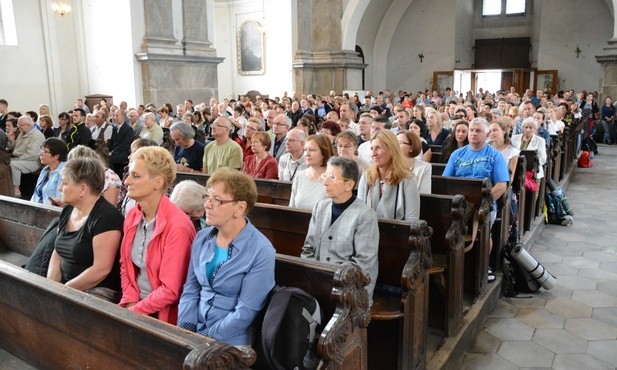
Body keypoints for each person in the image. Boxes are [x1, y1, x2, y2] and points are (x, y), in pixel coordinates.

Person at [178, 168, 275, 346]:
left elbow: (246, 312)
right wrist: (186, 327)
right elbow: (191, 289)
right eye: (207, 197)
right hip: (194, 332)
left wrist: (205, 337)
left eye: (217, 200)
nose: (207, 204)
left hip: (231, 341)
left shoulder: (261, 251)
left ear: (239, 208)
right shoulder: (202, 237)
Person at [119, 146, 196, 324]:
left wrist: (135, 311)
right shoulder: (133, 215)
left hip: (161, 314)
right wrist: (130, 300)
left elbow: (170, 290)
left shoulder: (178, 226)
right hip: (134, 303)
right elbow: (125, 265)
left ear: (158, 183)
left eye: (136, 176)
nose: (127, 181)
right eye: (128, 174)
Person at [301, 156, 379, 305]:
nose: (325, 182)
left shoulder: (365, 214)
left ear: (349, 184)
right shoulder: (320, 207)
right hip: (318, 283)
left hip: (350, 288)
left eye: (332, 177)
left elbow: (364, 262)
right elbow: (307, 249)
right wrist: (314, 277)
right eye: (325, 176)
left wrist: (331, 278)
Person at [47, 157, 123, 295]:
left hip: (97, 291)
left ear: (82, 189)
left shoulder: (106, 218)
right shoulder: (68, 210)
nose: (60, 188)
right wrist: (50, 287)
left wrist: (63, 290)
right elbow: (58, 252)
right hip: (67, 288)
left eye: (64, 183)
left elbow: (101, 269)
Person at [357, 130, 420, 220]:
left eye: (378, 148)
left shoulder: (408, 179)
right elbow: (359, 213)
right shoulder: (367, 177)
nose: (373, 153)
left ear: (391, 149)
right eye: (372, 148)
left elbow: (412, 220)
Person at [289, 134, 334, 210]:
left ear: (324, 153)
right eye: (305, 150)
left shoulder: (333, 177)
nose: (307, 154)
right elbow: (291, 207)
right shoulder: (300, 176)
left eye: (312, 150)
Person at [8, 116, 46, 198]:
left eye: (20, 125)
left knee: (13, 164)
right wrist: (12, 141)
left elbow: (32, 154)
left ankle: (16, 190)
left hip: (33, 162)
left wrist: (16, 159)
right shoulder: (22, 133)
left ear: (28, 125)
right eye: (18, 125)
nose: (18, 127)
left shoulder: (37, 136)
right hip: (21, 159)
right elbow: (17, 148)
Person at [31, 138, 68, 205]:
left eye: (45, 151)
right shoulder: (45, 170)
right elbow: (35, 195)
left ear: (56, 156)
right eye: (41, 150)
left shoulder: (64, 172)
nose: (40, 154)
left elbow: (59, 200)